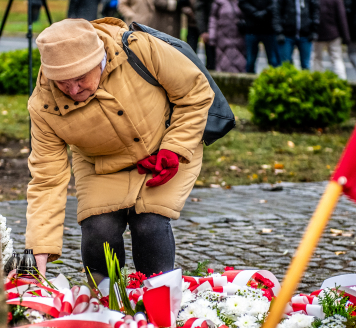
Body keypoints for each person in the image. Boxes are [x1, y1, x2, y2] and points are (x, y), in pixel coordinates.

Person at [24, 18, 214, 280]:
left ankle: (159, 298)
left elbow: (195, 93)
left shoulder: (139, 49)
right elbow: (47, 179)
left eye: (80, 78)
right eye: (62, 83)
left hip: (163, 151)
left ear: (98, 58)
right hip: (100, 164)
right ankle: (105, 300)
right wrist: (38, 251)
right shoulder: (43, 106)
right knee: (99, 230)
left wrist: (175, 148)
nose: (73, 90)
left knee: (149, 225)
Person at [271, 0, 319, 70]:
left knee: (306, 66)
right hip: (286, 34)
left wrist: (314, 29)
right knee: (286, 66)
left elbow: (315, 9)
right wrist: (279, 31)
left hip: (305, 34)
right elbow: (276, 11)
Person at [313, 0, 350, 80]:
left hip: (318, 34)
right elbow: (342, 19)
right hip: (334, 34)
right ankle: (341, 79)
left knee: (317, 58)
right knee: (336, 58)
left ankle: (318, 80)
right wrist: (346, 36)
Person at [208, 0, 246, 73]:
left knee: (240, 64)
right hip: (222, 38)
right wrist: (212, 36)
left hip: (240, 37)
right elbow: (213, 18)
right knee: (223, 64)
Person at [195, 0, 227, 70]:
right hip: (211, 30)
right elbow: (200, 9)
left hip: (228, 31)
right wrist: (203, 30)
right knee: (211, 61)